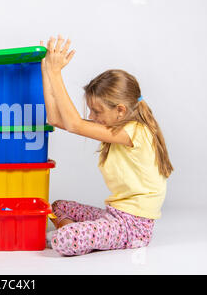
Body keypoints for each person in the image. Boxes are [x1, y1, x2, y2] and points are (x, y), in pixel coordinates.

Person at [41, 35, 173, 256]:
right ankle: (87, 233)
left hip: (133, 226)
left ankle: (76, 234)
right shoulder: (116, 128)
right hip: (114, 214)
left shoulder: (135, 131)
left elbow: (74, 124)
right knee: (57, 206)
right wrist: (47, 70)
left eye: (97, 111)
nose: (91, 116)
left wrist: (56, 74)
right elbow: (55, 119)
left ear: (120, 110)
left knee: (63, 239)